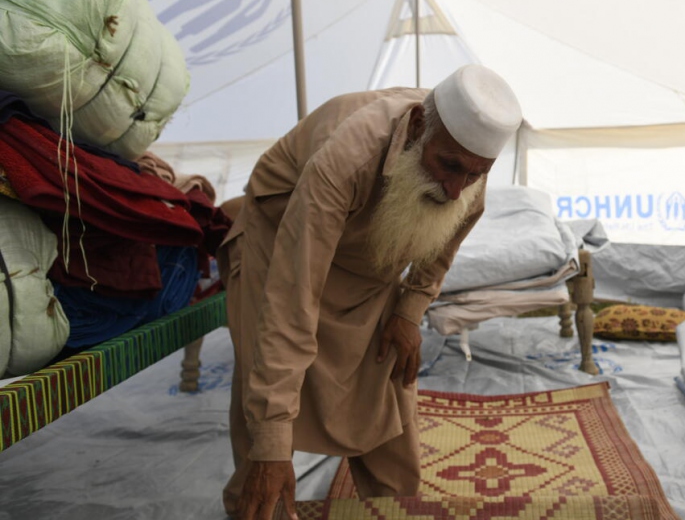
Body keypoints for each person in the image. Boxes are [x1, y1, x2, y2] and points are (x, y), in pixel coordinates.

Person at [216, 65, 523, 520]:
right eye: (449, 167)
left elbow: (444, 242)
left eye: (476, 174)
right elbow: (292, 297)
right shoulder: (347, 158)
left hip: (367, 266)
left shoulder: (467, 167)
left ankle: (390, 506)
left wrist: (409, 310)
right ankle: (261, 500)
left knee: (387, 387)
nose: (455, 188)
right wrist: (273, 443)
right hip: (280, 239)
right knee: (265, 387)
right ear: (417, 127)